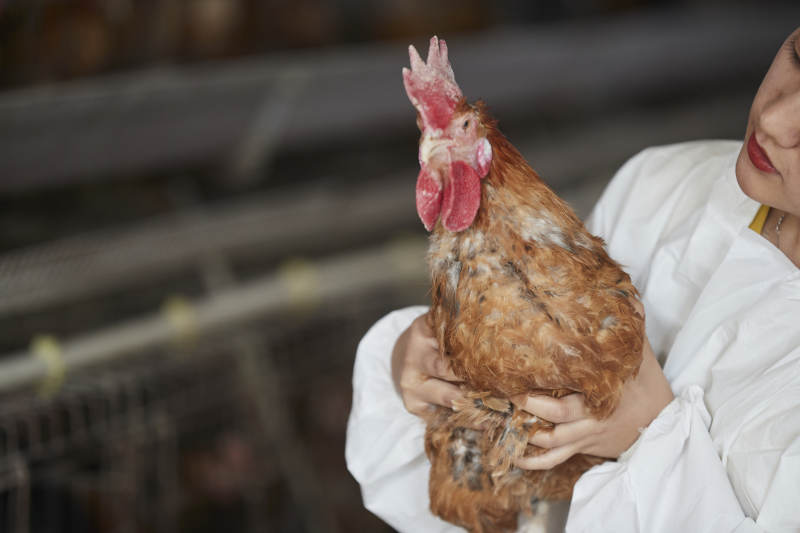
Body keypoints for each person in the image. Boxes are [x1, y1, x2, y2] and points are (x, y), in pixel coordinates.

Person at [346, 27, 800, 533]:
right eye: (799, 54)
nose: (777, 118)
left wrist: (650, 436)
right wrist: (410, 367)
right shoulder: (666, 183)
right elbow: (458, 495)